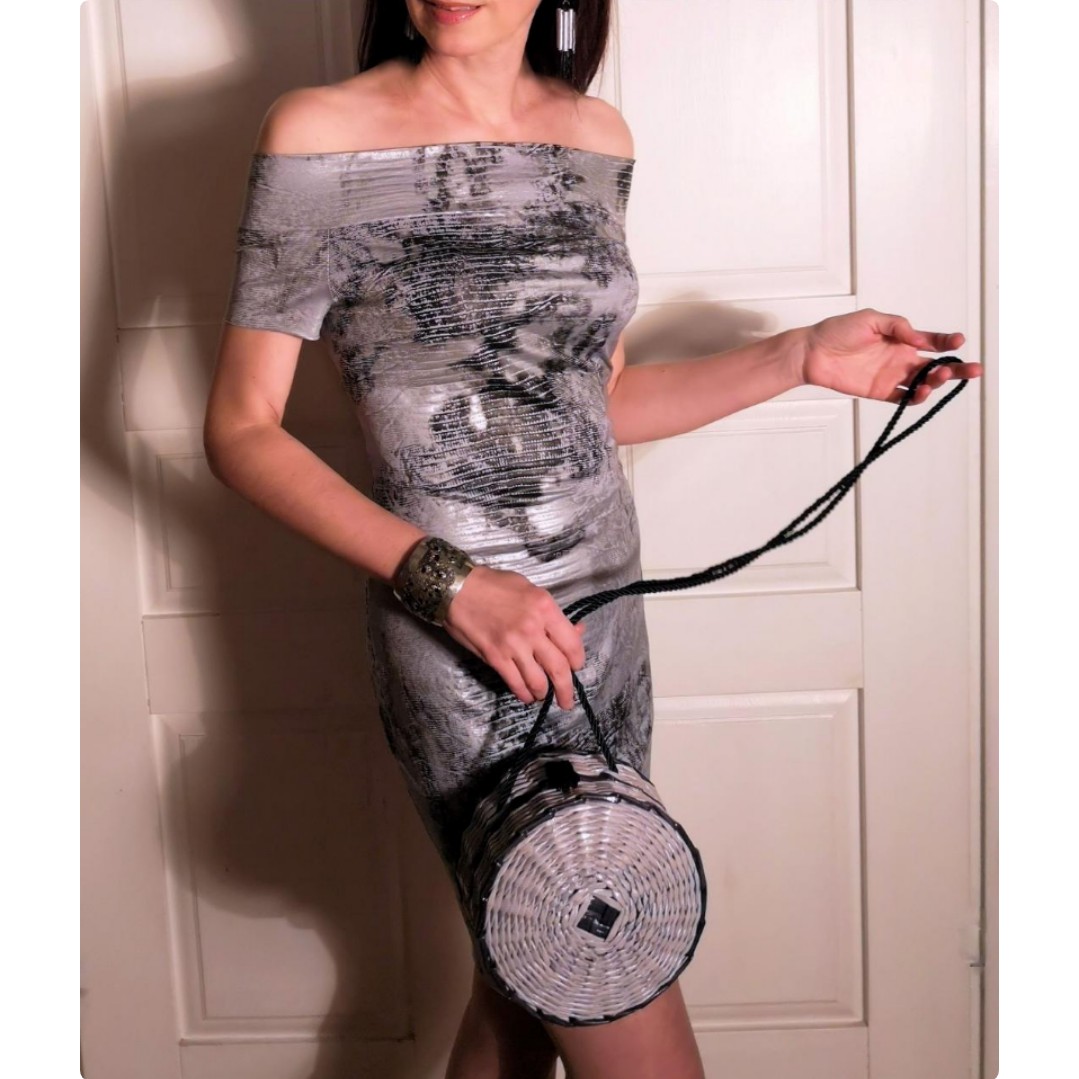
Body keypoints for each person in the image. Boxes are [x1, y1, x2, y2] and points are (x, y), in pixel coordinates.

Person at [203, 2, 983, 1076]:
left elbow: (593, 401)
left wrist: (798, 356)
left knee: (524, 979)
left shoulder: (594, 136)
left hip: (603, 625)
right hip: (461, 638)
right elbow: (241, 430)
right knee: (586, 956)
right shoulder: (318, 133)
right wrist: (450, 583)